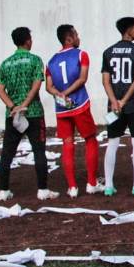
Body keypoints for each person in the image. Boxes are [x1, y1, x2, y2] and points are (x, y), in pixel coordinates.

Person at [0, 27, 54, 201]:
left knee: (7, 153)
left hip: (12, 114)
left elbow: (0, 90)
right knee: (39, 150)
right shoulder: (35, 60)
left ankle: (3, 190)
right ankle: (42, 189)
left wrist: (13, 106)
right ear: (28, 40)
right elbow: (37, 84)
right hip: (34, 111)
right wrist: (25, 104)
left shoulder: (6, 63)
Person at [45, 24, 101, 198]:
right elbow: (82, 78)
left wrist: (60, 95)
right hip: (79, 103)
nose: (79, 37)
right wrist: (67, 93)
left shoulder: (51, 61)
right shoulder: (81, 54)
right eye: (76, 34)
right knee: (90, 139)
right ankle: (92, 183)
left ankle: (72, 187)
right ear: (69, 37)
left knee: (67, 144)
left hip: (62, 108)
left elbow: (48, 87)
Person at [101, 17, 134, 197]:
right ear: (129, 30)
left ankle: (108, 185)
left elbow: (105, 80)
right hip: (133, 104)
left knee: (112, 142)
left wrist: (114, 101)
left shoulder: (108, 52)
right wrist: (124, 100)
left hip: (113, 106)